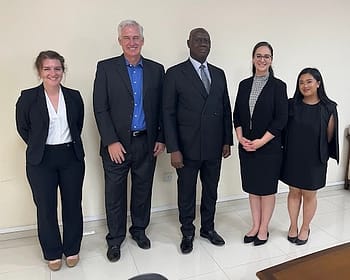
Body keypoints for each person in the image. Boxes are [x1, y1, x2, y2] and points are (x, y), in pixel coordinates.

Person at [93, 19, 165, 262]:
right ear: (120, 41)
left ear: (142, 41)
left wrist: (161, 138)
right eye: (127, 38)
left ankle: (139, 230)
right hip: (117, 146)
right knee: (115, 194)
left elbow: (163, 108)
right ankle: (115, 240)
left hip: (146, 142)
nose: (132, 42)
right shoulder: (105, 68)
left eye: (136, 38)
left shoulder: (156, 70)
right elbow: (100, 108)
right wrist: (111, 141)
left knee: (143, 190)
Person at [163, 28, 233, 254]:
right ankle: (187, 232)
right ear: (188, 43)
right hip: (186, 147)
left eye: (207, 40)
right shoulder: (174, 74)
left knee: (211, 190)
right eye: (198, 40)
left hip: (214, 146)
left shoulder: (219, 73)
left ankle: (208, 228)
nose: (203, 43)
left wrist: (227, 140)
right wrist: (173, 148)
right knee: (186, 192)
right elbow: (168, 114)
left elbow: (225, 109)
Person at [15, 50, 85, 271]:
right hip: (41, 159)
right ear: (39, 71)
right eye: (47, 68)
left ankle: (72, 249)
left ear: (63, 71)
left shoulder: (74, 96)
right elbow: (23, 128)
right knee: (45, 208)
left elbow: (78, 125)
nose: (52, 73)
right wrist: (38, 145)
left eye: (57, 68)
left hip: (71, 157)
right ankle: (52, 252)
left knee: (72, 205)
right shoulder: (27, 97)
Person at [233, 41, 288, 246]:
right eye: (259, 55)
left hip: (269, 147)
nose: (262, 59)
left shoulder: (278, 86)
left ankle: (264, 228)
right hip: (246, 146)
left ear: (271, 60)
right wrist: (240, 138)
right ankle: (255, 225)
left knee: (266, 189)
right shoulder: (244, 84)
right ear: (253, 58)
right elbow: (237, 115)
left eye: (266, 56)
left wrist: (261, 142)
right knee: (253, 188)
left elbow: (281, 119)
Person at [281, 67, 339, 245]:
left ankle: (305, 227)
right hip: (293, 156)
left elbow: (329, 136)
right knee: (293, 192)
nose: (305, 85)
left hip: (315, 158)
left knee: (309, 194)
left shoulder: (329, 107)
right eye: (301, 82)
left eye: (309, 81)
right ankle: (293, 226)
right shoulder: (292, 105)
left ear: (318, 83)